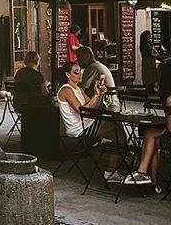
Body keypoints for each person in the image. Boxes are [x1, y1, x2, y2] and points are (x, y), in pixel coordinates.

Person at [57, 61, 126, 183]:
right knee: (117, 131)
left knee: (118, 132)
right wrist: (95, 95)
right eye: (76, 72)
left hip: (88, 122)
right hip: (79, 128)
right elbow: (82, 111)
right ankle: (111, 169)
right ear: (68, 75)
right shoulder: (66, 90)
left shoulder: (79, 88)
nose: (80, 74)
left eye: (80, 71)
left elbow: (93, 107)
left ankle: (112, 164)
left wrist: (99, 94)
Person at [124, 58, 171, 188]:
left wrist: (162, 129)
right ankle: (151, 181)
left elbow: (170, 127)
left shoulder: (170, 100)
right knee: (151, 137)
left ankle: (144, 174)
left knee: (150, 136)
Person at [77, 46, 119, 112]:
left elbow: (81, 88)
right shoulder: (98, 65)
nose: (78, 60)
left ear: (87, 56)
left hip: (104, 106)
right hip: (113, 103)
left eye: (79, 57)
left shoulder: (92, 68)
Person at [140, 30, 159, 95]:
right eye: (149, 34)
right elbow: (148, 53)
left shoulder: (149, 42)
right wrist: (155, 55)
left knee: (152, 75)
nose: (151, 35)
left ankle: (151, 88)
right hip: (147, 61)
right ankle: (148, 89)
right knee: (148, 75)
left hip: (151, 61)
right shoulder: (144, 44)